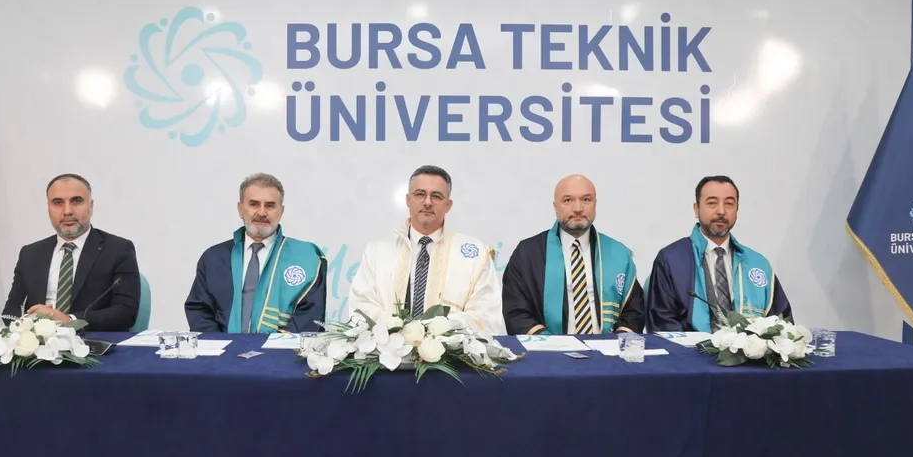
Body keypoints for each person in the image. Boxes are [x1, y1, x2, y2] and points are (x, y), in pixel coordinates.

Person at [348, 165, 504, 334]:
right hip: (386, 348)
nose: (428, 202)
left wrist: (432, 331)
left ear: (448, 205)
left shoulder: (476, 256)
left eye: (436, 196)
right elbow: (361, 308)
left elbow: (485, 320)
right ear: (408, 200)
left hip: (450, 350)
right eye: (420, 194)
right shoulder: (377, 251)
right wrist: (400, 330)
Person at [646, 175, 793, 333]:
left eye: (729, 204)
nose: (721, 211)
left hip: (750, 348)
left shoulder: (758, 264)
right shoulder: (672, 259)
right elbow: (663, 323)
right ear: (696, 209)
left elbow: (782, 324)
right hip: (691, 348)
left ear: (737, 210)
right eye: (712, 203)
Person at [502, 175, 645, 335]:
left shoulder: (618, 254)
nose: (578, 208)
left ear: (595, 204)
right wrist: (551, 344)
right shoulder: (527, 254)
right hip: (547, 348)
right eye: (568, 200)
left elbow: (634, 310)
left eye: (586, 200)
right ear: (555, 206)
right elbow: (516, 311)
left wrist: (615, 343)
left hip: (608, 348)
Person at [185, 173, 327, 333]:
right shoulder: (214, 258)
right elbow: (200, 311)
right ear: (240, 209)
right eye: (254, 204)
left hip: (282, 348)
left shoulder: (307, 258)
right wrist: (222, 344)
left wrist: (268, 346)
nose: (261, 212)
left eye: (270, 206)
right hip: (223, 348)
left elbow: (309, 319)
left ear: (281, 211)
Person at [1, 173, 141, 331]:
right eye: (58, 203)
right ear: (48, 208)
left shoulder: (118, 249)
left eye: (76, 201)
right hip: (40, 342)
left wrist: (69, 320)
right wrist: (33, 321)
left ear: (91, 206)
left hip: (91, 341)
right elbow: (10, 311)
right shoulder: (30, 254)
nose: (67, 211)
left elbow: (125, 313)